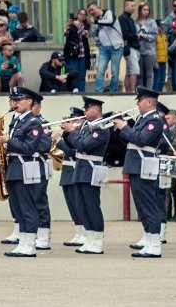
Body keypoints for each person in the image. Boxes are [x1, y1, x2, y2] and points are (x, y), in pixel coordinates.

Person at [0, 86, 52, 258]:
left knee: (28, 207)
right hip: (15, 167)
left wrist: (9, 141)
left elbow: (30, 148)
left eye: (18, 100)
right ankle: (23, 242)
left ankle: (29, 244)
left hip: (26, 167)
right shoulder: (18, 121)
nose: (15, 103)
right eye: (13, 100)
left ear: (29, 101)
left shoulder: (34, 122)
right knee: (19, 208)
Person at [119, 86, 170, 257]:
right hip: (137, 165)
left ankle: (155, 244)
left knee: (149, 205)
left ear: (149, 102)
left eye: (140, 100)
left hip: (144, 165)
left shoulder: (155, 119)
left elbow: (141, 139)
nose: (138, 104)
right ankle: (149, 240)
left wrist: (124, 127)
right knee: (142, 206)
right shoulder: (144, 119)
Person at [63, 96, 116, 254]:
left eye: (88, 107)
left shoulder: (101, 128)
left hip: (91, 169)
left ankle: (97, 240)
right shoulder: (87, 126)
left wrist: (71, 131)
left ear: (97, 110)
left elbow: (82, 145)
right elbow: (74, 144)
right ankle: (90, 237)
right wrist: (68, 133)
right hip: (81, 169)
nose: (85, 110)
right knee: (81, 206)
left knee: (92, 206)